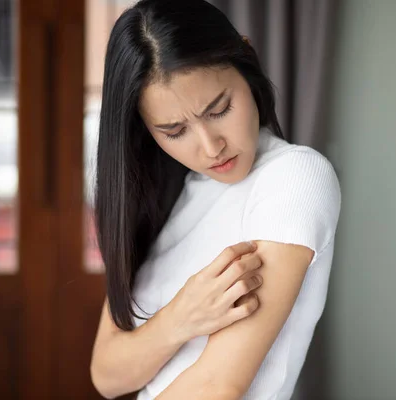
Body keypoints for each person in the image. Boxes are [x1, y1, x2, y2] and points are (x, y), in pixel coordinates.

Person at [89, 1, 341, 399]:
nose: (211, 147)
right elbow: (107, 374)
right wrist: (180, 318)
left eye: (219, 108)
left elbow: (218, 385)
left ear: (248, 60)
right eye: (174, 131)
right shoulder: (162, 196)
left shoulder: (293, 178)